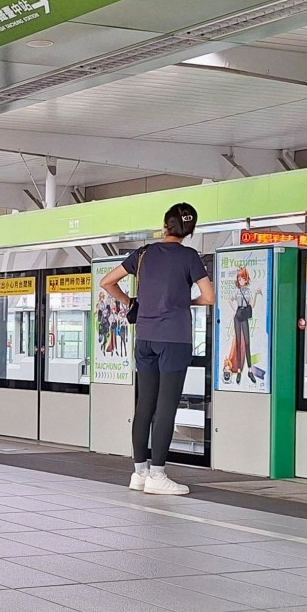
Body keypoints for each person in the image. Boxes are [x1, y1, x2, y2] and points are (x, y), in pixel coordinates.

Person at [101, 203, 215, 496]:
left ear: (166, 225)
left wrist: (130, 302)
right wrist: (185, 302)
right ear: (190, 230)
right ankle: (158, 474)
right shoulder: (190, 257)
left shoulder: (143, 254)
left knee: (145, 404)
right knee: (166, 406)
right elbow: (209, 297)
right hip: (174, 338)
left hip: (145, 338)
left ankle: (139, 473)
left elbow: (107, 282)